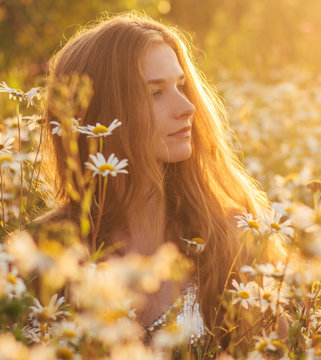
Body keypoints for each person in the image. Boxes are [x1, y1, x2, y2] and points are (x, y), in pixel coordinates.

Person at [41, 12, 271, 351]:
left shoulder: (229, 238)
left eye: (180, 86)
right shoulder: (46, 253)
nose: (187, 107)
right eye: (155, 93)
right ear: (100, 113)